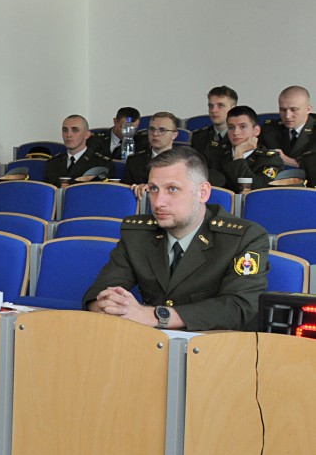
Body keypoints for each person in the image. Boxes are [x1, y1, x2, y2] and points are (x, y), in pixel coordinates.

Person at [84, 147, 268, 331]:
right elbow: (99, 291)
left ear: (203, 192)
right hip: (149, 342)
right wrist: (107, 305)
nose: (158, 202)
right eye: (153, 189)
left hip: (214, 343)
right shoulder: (137, 233)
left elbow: (239, 307)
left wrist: (156, 316)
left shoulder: (243, 237)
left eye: (172, 189)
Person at [213, 106, 284, 194]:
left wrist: (238, 154)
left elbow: (255, 191)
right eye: (231, 127)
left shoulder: (271, 159)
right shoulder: (215, 153)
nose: (236, 132)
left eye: (242, 126)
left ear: (256, 131)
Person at [44, 115, 112, 184]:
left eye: (75, 130)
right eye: (65, 130)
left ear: (86, 135)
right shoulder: (52, 163)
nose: (68, 135)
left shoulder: (101, 164)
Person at [259, 85, 316, 167]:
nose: (287, 116)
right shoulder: (269, 130)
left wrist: (293, 162)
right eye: (283, 110)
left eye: (294, 109)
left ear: (308, 109)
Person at [124, 111, 180, 191]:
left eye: (162, 130)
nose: (155, 134)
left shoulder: (184, 162)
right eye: (152, 129)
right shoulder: (134, 161)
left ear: (174, 135)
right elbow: (126, 193)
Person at [190, 85, 237, 172]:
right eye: (211, 106)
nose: (213, 110)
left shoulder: (241, 137)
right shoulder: (199, 137)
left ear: (233, 109)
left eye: (220, 105)